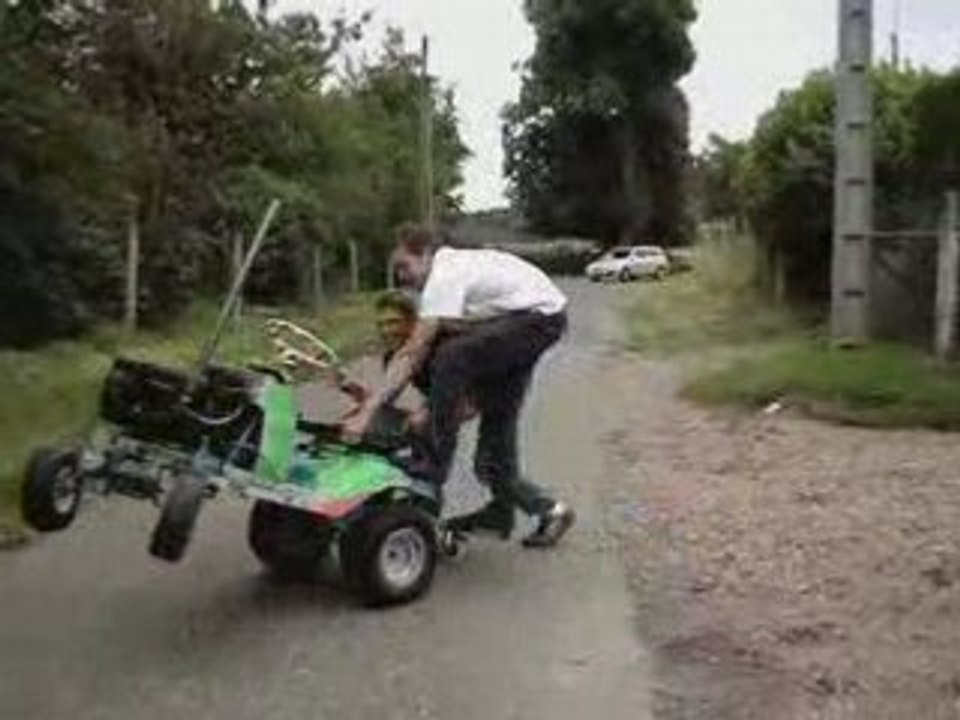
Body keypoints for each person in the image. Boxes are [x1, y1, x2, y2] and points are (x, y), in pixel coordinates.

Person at [343, 224, 576, 548]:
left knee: (451, 355)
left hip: (536, 319)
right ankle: (535, 511)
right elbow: (453, 365)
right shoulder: (457, 275)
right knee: (494, 445)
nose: (401, 276)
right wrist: (410, 407)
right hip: (533, 321)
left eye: (404, 266)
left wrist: (372, 413)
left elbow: (415, 352)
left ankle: (431, 470)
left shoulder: (445, 274)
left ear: (426, 254)